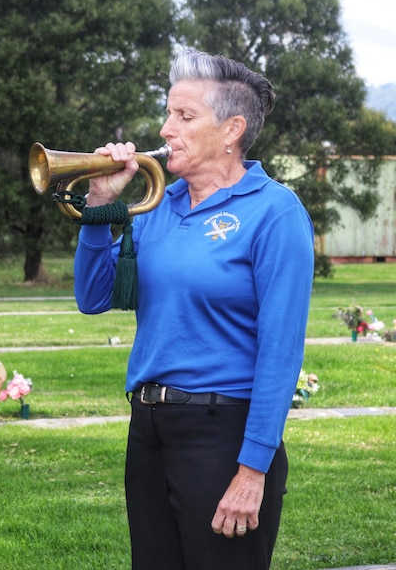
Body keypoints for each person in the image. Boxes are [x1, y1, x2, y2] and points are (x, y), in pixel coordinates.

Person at [73, 48, 315, 570]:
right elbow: (94, 298)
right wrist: (98, 207)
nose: (165, 130)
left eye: (184, 116)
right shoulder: (158, 206)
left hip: (223, 432)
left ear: (232, 130)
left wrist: (252, 470)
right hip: (149, 428)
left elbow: (281, 350)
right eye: (167, 113)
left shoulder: (275, 212)